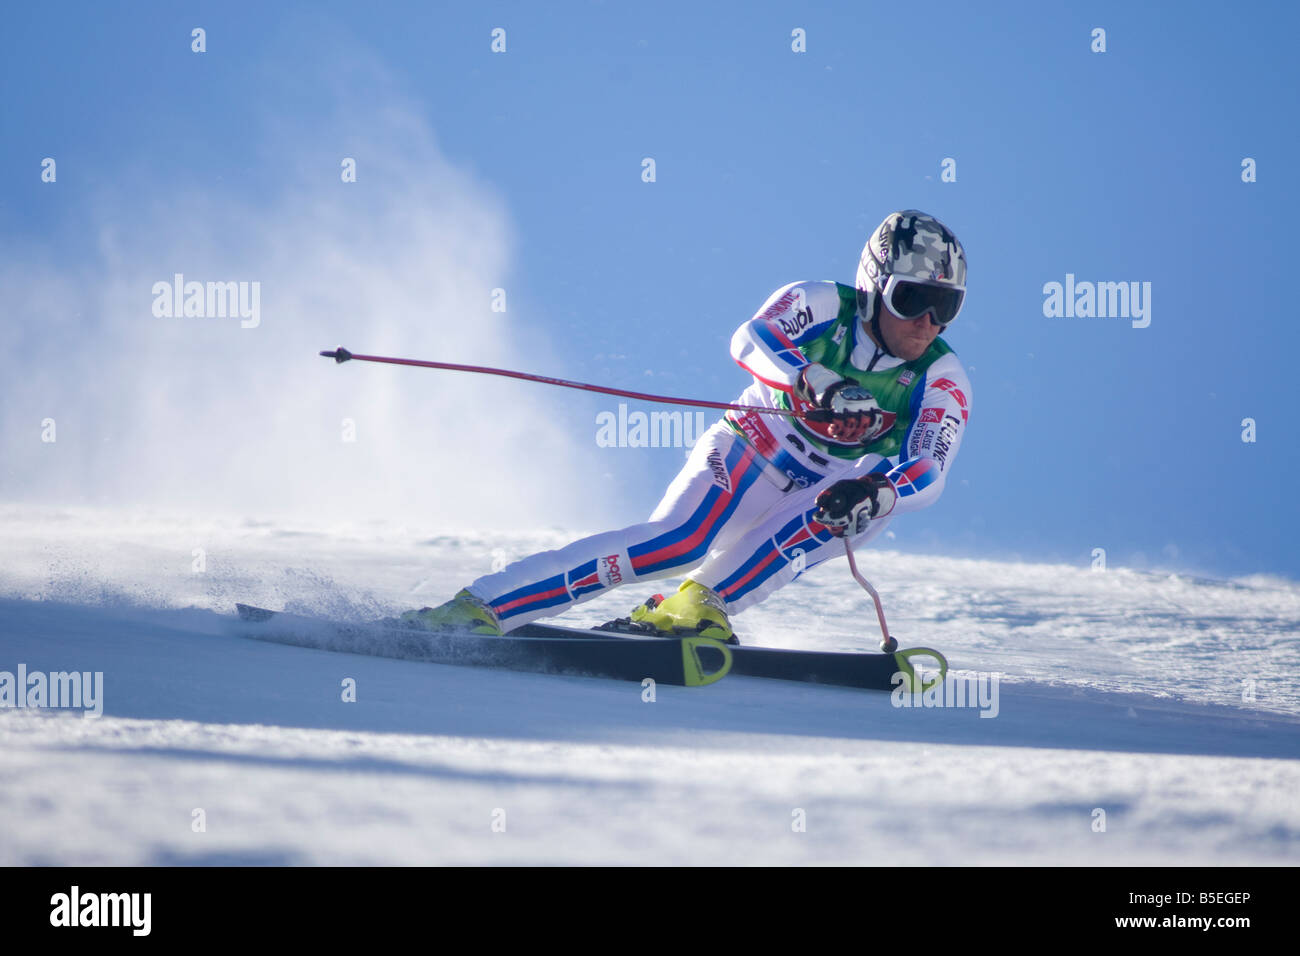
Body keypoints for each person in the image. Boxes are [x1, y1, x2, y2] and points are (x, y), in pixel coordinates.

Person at [403, 209, 972, 642]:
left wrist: (874, 490)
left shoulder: (940, 375)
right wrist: (811, 379)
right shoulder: (822, 303)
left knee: (858, 511)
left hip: (824, 484)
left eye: (945, 307)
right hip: (752, 449)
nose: (926, 321)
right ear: (875, 286)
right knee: (678, 543)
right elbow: (751, 339)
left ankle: (695, 607)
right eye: (913, 298)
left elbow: (929, 471)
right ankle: (480, 606)